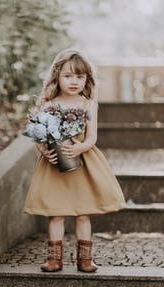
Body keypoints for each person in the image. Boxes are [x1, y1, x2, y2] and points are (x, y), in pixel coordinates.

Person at [23, 49, 126, 273]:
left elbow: (92, 137)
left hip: (83, 164)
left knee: (83, 213)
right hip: (55, 166)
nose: (74, 81)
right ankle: (54, 259)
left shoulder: (88, 105)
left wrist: (81, 146)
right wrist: (44, 151)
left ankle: (85, 259)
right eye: (68, 76)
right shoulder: (48, 104)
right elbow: (40, 136)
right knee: (56, 213)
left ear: (87, 79)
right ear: (57, 76)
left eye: (80, 77)